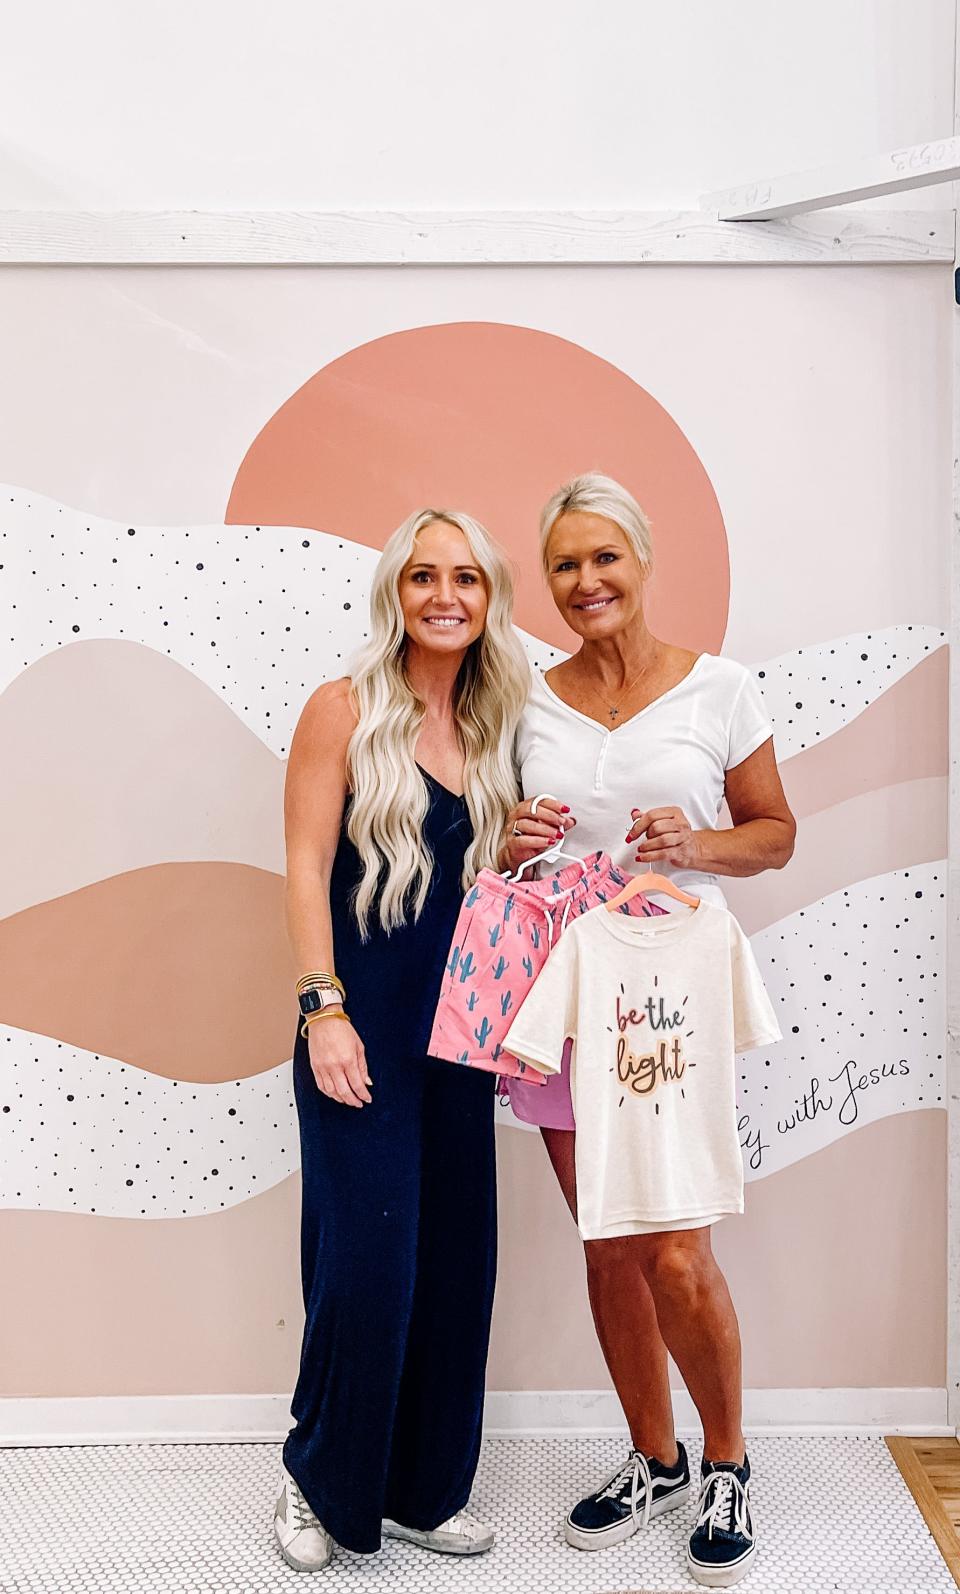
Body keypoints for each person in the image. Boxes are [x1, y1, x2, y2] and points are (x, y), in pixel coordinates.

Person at [499, 472, 796, 1588]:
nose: (586, 583)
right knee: (610, 1242)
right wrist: (518, 833)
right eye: (565, 565)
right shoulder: (525, 698)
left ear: (643, 561)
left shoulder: (720, 689)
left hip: (670, 989)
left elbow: (775, 834)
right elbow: (501, 851)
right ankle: (654, 1455)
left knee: (677, 1245)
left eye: (604, 559)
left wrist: (698, 844)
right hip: (565, 990)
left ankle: (727, 1460)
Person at [275, 507, 529, 1572]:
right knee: (366, 1264)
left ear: (488, 599)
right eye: (424, 575)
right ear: (396, 590)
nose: (444, 595)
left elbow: (471, 891)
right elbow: (300, 865)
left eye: (465, 578)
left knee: (456, 1267)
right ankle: (317, 1479)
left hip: (462, 1039)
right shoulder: (342, 708)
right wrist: (320, 1008)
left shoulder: (496, 725)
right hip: (360, 1026)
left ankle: (427, 1490)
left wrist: (517, 841)